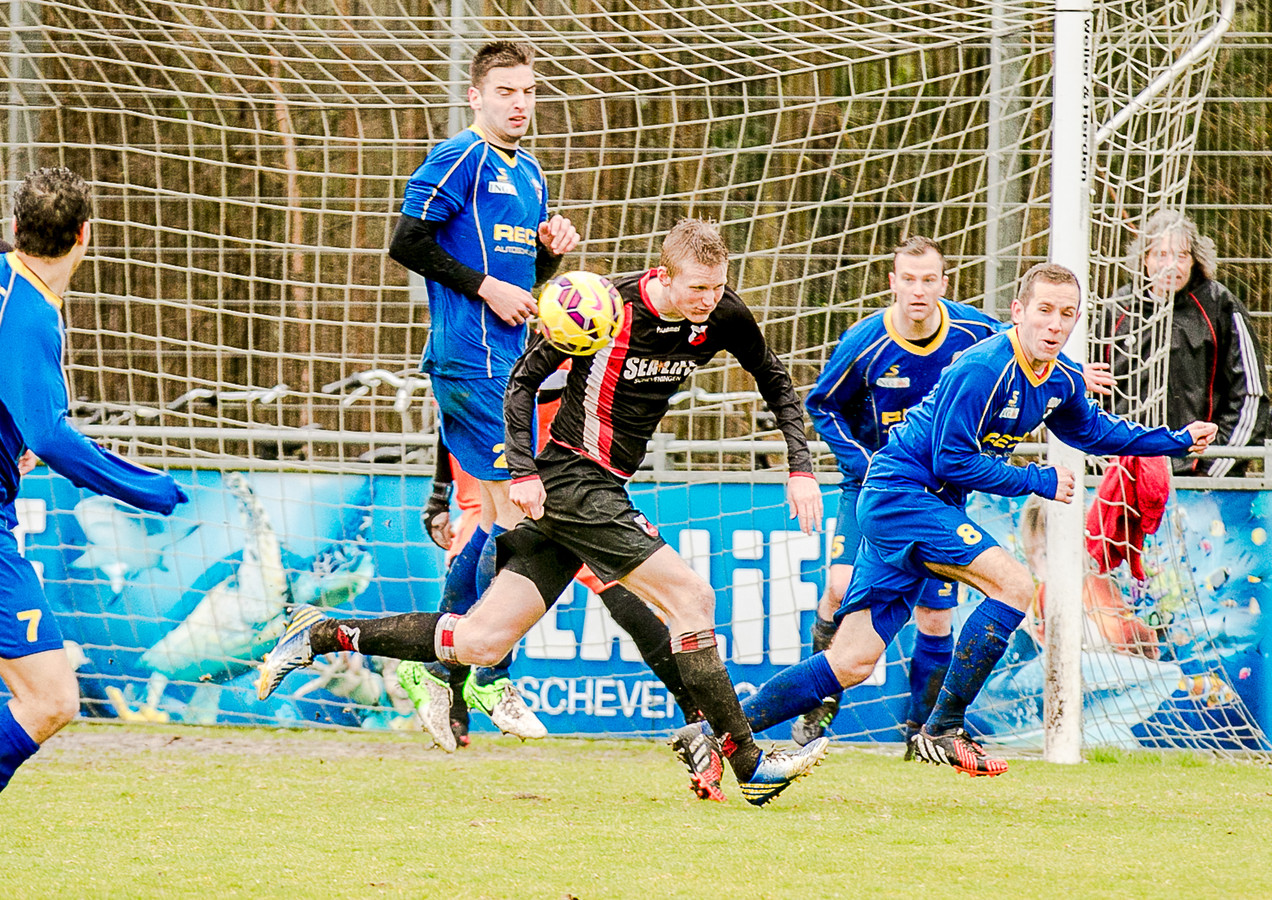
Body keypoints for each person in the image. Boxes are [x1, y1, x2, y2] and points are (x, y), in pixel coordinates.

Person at [259, 219, 830, 806]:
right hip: (577, 481)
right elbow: (522, 380)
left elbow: (775, 379)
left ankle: (323, 633)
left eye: (717, 288)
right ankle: (747, 759)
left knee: (481, 641)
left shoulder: (724, 315)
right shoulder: (605, 306)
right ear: (664, 274)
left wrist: (800, 465)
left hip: (590, 489)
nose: (708, 302)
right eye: (697, 291)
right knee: (693, 599)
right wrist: (523, 471)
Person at [726, 262, 1215, 776]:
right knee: (1013, 584)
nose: (1055, 324)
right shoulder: (983, 366)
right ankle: (943, 728)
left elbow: (1093, 431)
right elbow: (950, 460)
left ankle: (717, 734)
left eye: (1066, 314)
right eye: (1044, 311)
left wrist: (1175, 440)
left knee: (852, 659)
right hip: (903, 494)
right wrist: (1037, 480)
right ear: (1018, 312)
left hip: (922, 504)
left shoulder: (1061, 378)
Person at [387, 40, 579, 742]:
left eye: (528, 90)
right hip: (469, 364)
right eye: (505, 91)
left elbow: (525, 279)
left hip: (510, 363)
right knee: (524, 512)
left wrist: (552, 248)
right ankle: (482, 673)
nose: (520, 103)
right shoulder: (458, 157)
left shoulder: (529, 171)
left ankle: (448, 672)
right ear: (476, 97)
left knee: (509, 517)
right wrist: (484, 285)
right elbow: (407, 242)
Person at [0, 167, 187, 793]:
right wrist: (143, 487)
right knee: (49, 698)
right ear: (86, 235)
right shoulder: (27, 317)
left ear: (16, 228)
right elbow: (52, 436)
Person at [794, 236, 1000, 751]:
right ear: (892, 283)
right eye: (908, 279)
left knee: (935, 614)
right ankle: (819, 708)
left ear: (944, 284)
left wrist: (1076, 374)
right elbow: (822, 406)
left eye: (929, 280)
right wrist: (861, 462)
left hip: (936, 494)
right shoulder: (865, 342)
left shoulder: (976, 334)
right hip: (871, 488)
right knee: (840, 589)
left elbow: (1022, 356)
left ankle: (920, 730)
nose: (918, 290)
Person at [1101, 210, 1267, 477]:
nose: (1171, 265)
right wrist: (1106, 463)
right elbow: (1091, 396)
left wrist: (1215, 469)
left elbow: (1250, 396)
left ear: (1194, 261)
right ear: (1145, 259)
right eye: (1161, 255)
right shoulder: (1116, 311)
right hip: (1125, 476)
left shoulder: (1220, 307)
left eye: (1181, 256)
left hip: (1202, 478)